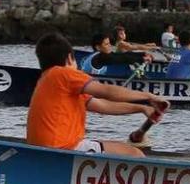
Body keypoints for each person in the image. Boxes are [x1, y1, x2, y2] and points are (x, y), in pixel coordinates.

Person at [27, 33, 168, 157]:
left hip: (45, 151)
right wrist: (149, 96)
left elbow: (104, 105)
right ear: (70, 58)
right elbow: (106, 92)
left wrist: (141, 108)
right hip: (63, 149)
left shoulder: (48, 80)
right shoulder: (63, 74)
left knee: (113, 147)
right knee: (134, 154)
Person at [80, 33, 153, 75]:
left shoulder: (100, 54)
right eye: (106, 44)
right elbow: (122, 59)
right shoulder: (100, 57)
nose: (110, 46)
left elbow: (120, 55)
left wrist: (142, 54)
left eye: (109, 43)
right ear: (98, 47)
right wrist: (142, 59)